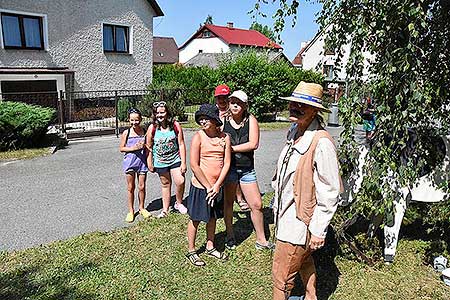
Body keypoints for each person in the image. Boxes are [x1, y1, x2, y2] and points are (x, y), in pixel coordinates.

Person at [271, 82, 342, 300]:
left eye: (303, 105)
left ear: (315, 111)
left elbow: (331, 191)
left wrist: (319, 229)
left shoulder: (321, 143)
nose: (296, 107)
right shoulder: (294, 132)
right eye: (294, 103)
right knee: (304, 261)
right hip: (286, 215)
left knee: (281, 277)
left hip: (299, 222)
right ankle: (311, 297)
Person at [222, 90, 273, 250]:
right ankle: (230, 235)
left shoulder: (251, 120)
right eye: (232, 102)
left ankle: (261, 240)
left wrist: (231, 149)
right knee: (229, 203)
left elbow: (253, 144)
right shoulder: (223, 120)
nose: (235, 105)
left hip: (246, 169)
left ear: (245, 105)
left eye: (239, 102)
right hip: (228, 169)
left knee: (256, 204)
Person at [186, 103, 231, 266]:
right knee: (196, 219)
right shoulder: (198, 136)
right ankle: (191, 250)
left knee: (212, 218)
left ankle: (210, 245)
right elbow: (194, 165)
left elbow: (226, 163)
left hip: (216, 187)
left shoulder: (225, 138)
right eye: (200, 119)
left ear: (214, 120)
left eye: (206, 118)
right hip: (201, 187)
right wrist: (208, 186)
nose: (203, 121)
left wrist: (217, 185)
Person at [146, 101, 187, 218]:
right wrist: (150, 163)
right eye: (157, 113)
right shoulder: (152, 128)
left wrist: (183, 162)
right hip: (160, 162)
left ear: (167, 112)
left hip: (175, 159)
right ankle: (165, 210)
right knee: (165, 184)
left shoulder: (175, 125)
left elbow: (181, 144)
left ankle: (178, 203)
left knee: (180, 181)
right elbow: (148, 146)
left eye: (162, 112)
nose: (160, 115)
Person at [215, 84, 250, 212]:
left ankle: (239, 197)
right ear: (216, 99)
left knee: (236, 172)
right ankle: (219, 199)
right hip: (219, 147)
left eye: (225, 97)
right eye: (219, 98)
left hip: (233, 148)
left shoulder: (234, 113)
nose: (222, 100)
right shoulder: (213, 112)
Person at [119, 108, 151, 223]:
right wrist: (133, 148)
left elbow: (148, 146)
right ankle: (131, 211)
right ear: (129, 120)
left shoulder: (144, 131)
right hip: (130, 163)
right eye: (132, 120)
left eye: (136, 120)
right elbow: (121, 148)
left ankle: (142, 208)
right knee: (130, 187)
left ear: (141, 119)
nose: (134, 123)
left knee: (142, 186)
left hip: (142, 163)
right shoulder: (126, 133)